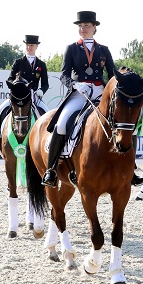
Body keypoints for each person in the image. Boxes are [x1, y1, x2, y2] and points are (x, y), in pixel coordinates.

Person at [41, 11, 116, 187]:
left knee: (120, 122)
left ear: (94, 28)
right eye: (80, 26)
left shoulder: (103, 50)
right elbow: (64, 75)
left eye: (86, 26)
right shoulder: (72, 48)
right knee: (61, 124)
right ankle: (51, 170)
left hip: (99, 93)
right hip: (79, 93)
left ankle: (132, 168)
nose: (83, 29)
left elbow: (113, 74)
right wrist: (75, 85)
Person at [0, 35, 49, 161]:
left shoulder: (41, 64)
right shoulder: (18, 62)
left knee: (48, 117)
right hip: (18, 94)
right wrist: (16, 85)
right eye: (27, 45)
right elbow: (10, 78)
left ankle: (46, 148)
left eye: (32, 45)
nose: (29, 47)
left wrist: (41, 90)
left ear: (36, 46)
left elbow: (45, 84)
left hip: (34, 96)